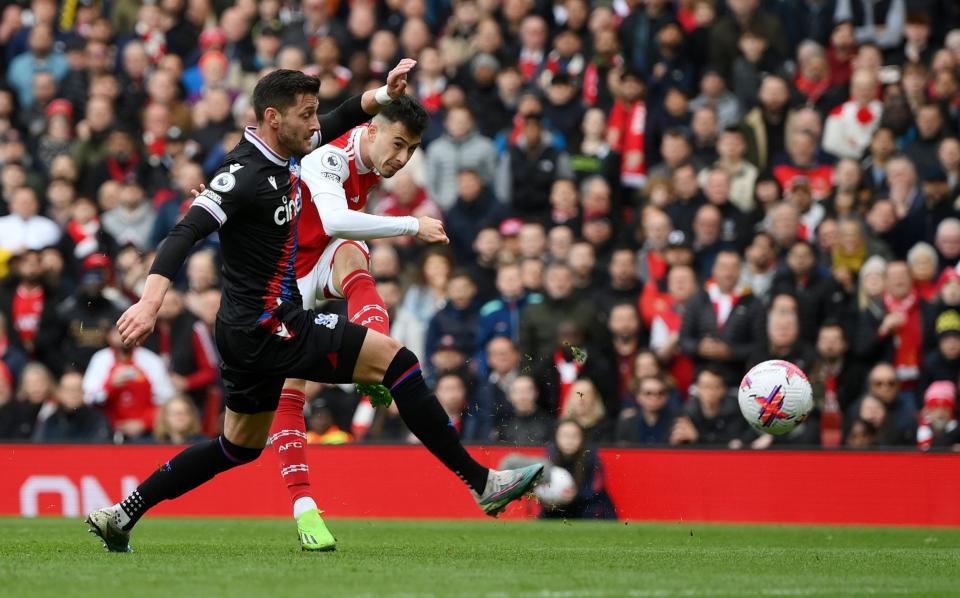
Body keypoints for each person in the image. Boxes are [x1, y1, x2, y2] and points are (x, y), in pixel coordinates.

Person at [88, 67, 544, 554]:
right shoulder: (242, 176)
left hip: (245, 330)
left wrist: (382, 94)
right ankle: (481, 482)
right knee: (399, 362)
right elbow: (183, 233)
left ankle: (123, 513)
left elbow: (346, 114)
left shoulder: (288, 146)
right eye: (305, 115)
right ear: (272, 117)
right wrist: (151, 300)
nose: (315, 125)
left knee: (237, 447)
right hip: (271, 326)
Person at [539, 419, 616, 520]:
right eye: (565, 436)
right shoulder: (550, 457)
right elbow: (541, 486)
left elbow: (596, 487)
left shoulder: (591, 456)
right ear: (556, 437)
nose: (569, 440)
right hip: (560, 506)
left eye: (574, 436)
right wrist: (547, 499)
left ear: (582, 438)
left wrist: (575, 495)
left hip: (588, 505)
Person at [32, 371, 112, 443]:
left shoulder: (97, 420)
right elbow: (40, 448)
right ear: (60, 393)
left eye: (77, 389)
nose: (73, 394)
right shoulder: (50, 421)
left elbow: (100, 448)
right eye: (68, 390)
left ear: (83, 392)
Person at [615, 375, 676, 445]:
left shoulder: (676, 423)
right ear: (638, 396)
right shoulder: (627, 424)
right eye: (648, 393)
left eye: (660, 393)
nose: (654, 397)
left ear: (667, 397)